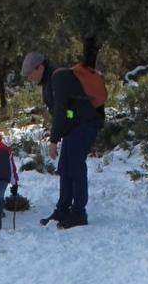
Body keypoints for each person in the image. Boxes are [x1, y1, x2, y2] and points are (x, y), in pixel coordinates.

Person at [21, 51, 106, 229]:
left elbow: (61, 110)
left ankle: (79, 213)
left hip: (86, 123)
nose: (30, 78)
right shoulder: (49, 82)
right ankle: (63, 210)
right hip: (74, 125)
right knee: (65, 167)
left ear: (40, 67)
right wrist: (61, 133)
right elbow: (65, 112)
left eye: (30, 73)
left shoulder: (58, 78)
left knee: (75, 167)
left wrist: (53, 140)